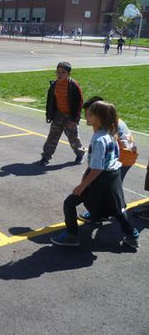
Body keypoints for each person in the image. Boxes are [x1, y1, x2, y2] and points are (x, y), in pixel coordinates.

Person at [50, 101, 140, 249]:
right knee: (117, 210)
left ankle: (72, 235)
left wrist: (82, 185)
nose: (87, 116)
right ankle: (132, 235)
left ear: (98, 118)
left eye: (90, 114)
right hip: (113, 176)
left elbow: (97, 168)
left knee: (70, 203)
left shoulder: (99, 139)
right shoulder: (111, 134)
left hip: (101, 178)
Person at [77, 96, 139, 223]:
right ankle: (109, 210)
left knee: (104, 188)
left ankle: (107, 213)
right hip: (127, 156)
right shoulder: (111, 120)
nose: (86, 117)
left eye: (88, 114)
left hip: (122, 158)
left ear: (99, 114)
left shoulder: (107, 128)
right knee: (112, 187)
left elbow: (104, 150)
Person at [35, 62, 85, 166]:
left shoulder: (73, 85)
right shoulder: (54, 85)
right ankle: (46, 157)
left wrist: (74, 120)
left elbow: (79, 103)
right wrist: (49, 115)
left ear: (68, 74)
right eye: (58, 72)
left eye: (63, 72)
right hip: (58, 115)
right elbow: (50, 101)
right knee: (52, 137)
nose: (60, 74)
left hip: (70, 116)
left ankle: (80, 154)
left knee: (73, 138)